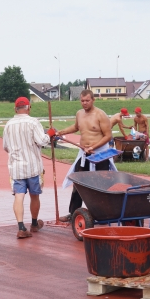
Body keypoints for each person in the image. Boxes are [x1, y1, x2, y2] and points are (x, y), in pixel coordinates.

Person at [56, 90, 117, 222]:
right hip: (84, 154)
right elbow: (76, 127)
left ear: (93, 100)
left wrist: (93, 147)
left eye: (87, 101)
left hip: (99, 154)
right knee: (78, 183)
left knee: (101, 185)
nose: (84, 103)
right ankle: (74, 213)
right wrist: (61, 131)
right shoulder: (79, 113)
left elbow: (108, 136)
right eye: (82, 101)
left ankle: (103, 214)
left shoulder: (101, 115)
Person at [2, 96, 52, 239]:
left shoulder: (8, 125)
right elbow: (42, 141)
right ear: (29, 107)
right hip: (33, 167)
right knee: (34, 195)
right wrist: (49, 134)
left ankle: (21, 227)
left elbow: (5, 147)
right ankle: (34, 224)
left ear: (15, 109)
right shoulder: (33, 122)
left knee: (19, 195)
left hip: (16, 168)